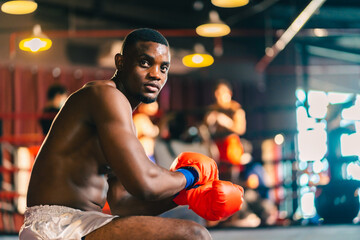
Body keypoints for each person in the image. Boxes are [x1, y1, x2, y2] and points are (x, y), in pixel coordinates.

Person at [19, 28, 243, 240]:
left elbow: (123, 202)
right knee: (194, 236)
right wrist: (192, 175)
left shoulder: (119, 114)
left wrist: (185, 196)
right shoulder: (105, 95)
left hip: (80, 223)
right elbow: (145, 183)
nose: (156, 74)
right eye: (145, 63)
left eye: (163, 68)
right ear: (121, 62)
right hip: (55, 225)